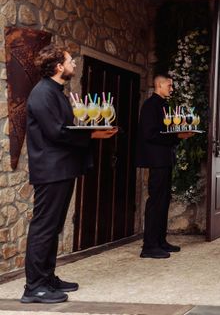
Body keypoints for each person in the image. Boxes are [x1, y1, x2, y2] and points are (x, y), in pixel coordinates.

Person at [22, 45, 118, 304]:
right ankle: (34, 287)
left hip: (61, 167)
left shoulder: (57, 92)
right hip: (51, 169)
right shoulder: (42, 93)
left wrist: (91, 129)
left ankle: (47, 277)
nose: (74, 63)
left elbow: (67, 126)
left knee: (53, 227)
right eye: (69, 60)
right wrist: (93, 134)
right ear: (58, 67)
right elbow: (56, 132)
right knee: (44, 227)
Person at [136, 74, 193, 259]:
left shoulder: (164, 106)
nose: (172, 88)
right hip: (156, 160)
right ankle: (149, 246)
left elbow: (166, 130)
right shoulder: (150, 106)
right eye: (169, 85)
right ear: (159, 85)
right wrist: (176, 137)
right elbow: (150, 134)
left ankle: (160, 241)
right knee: (155, 201)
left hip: (165, 159)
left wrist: (179, 133)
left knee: (164, 200)